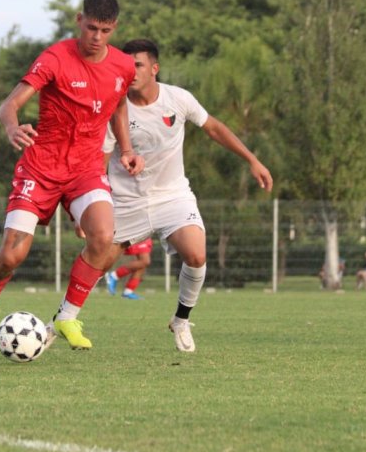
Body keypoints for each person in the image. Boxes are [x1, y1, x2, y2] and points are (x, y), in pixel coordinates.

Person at [0, 0, 143, 353]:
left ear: (114, 28)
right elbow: (8, 106)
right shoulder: (55, 58)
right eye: (91, 28)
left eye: (105, 30)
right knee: (11, 257)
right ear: (79, 20)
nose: (97, 37)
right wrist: (12, 127)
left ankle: (67, 316)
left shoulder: (123, 66)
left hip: (85, 168)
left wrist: (127, 149)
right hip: (41, 167)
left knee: (104, 237)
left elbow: (118, 107)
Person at [100, 38, 272, 352]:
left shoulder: (177, 99)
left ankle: (181, 319)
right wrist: (90, 204)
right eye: (126, 65)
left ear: (154, 68)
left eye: (138, 65)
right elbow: (100, 161)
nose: (131, 71)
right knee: (96, 264)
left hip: (173, 196)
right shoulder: (115, 107)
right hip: (127, 201)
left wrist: (252, 160)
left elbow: (214, 128)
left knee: (196, 255)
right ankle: (60, 321)